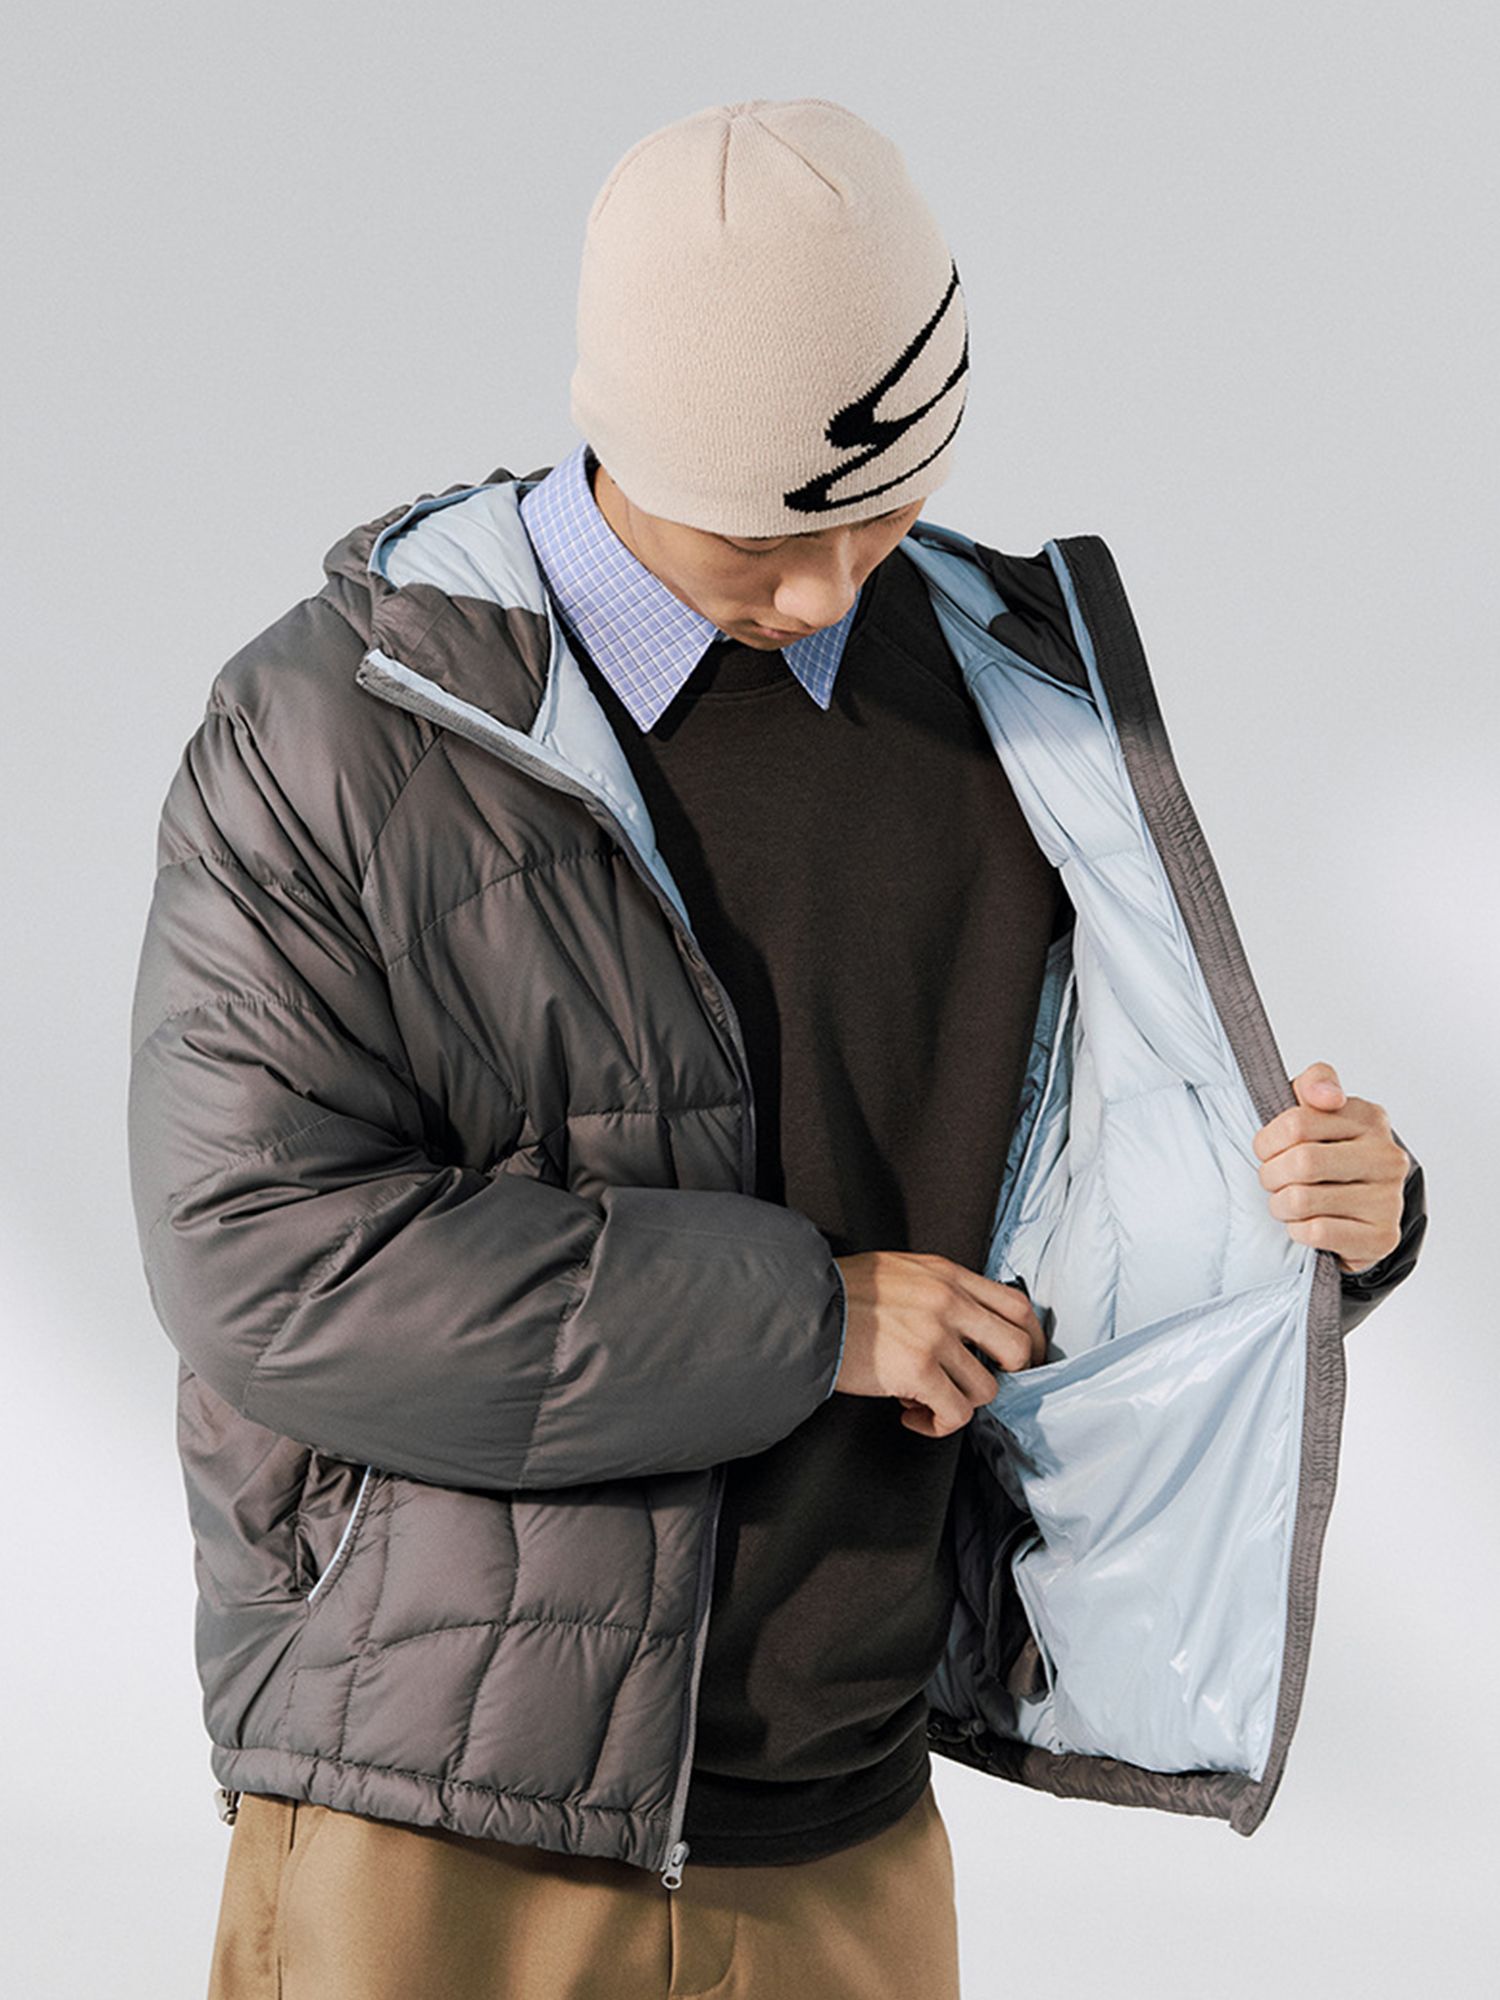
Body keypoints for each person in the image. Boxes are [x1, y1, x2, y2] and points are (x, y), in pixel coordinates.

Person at [127, 98, 1427, 2000]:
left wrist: (1315, 1221)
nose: (828, 593)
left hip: (849, 1823)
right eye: (766, 534)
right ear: (622, 437)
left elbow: (1075, 1199)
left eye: (880, 513)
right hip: (439, 1819)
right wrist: (811, 1318)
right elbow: (264, 1266)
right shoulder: (336, 731)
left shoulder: (1016, 705)